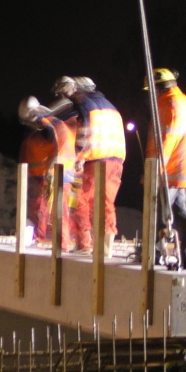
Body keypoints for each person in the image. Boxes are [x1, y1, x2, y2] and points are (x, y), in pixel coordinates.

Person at [54, 76, 126, 257]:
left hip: (96, 160)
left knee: (81, 201)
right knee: (106, 204)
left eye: (66, 92)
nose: (66, 97)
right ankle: (106, 249)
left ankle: (86, 245)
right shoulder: (110, 106)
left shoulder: (85, 103)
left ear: (77, 89)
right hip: (116, 160)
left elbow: (87, 130)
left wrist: (80, 156)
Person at [144, 68, 186, 246]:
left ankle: (157, 251)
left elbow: (165, 142)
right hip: (182, 169)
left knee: (162, 214)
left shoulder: (169, 105)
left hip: (169, 170)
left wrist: (154, 171)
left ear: (158, 87)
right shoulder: (184, 102)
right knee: (183, 211)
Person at [18, 97, 76, 250]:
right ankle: (48, 240)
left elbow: (58, 149)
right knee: (49, 208)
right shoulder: (53, 123)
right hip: (60, 171)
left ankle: (61, 243)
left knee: (55, 209)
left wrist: (50, 170)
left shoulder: (47, 126)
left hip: (57, 172)